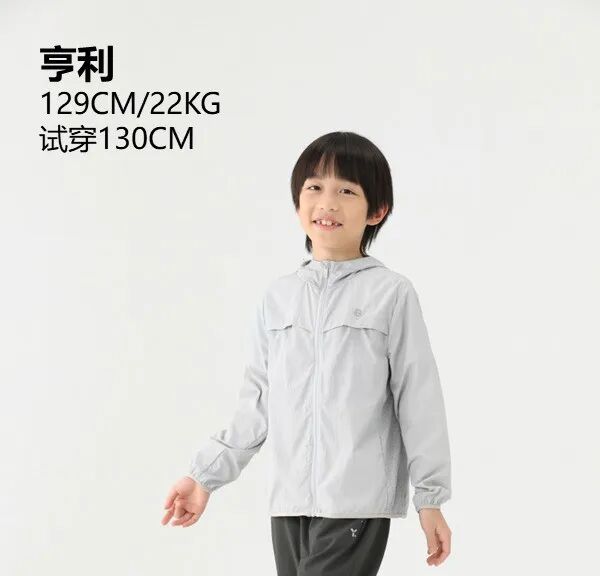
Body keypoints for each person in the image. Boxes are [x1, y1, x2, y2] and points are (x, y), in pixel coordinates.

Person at [161, 131, 453, 573]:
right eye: (314, 187)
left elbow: (418, 399)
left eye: (346, 191)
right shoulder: (278, 298)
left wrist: (430, 499)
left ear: (377, 210)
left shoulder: (390, 294)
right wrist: (204, 477)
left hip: (355, 501)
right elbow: (257, 403)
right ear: (298, 203)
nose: (327, 203)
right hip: (289, 503)